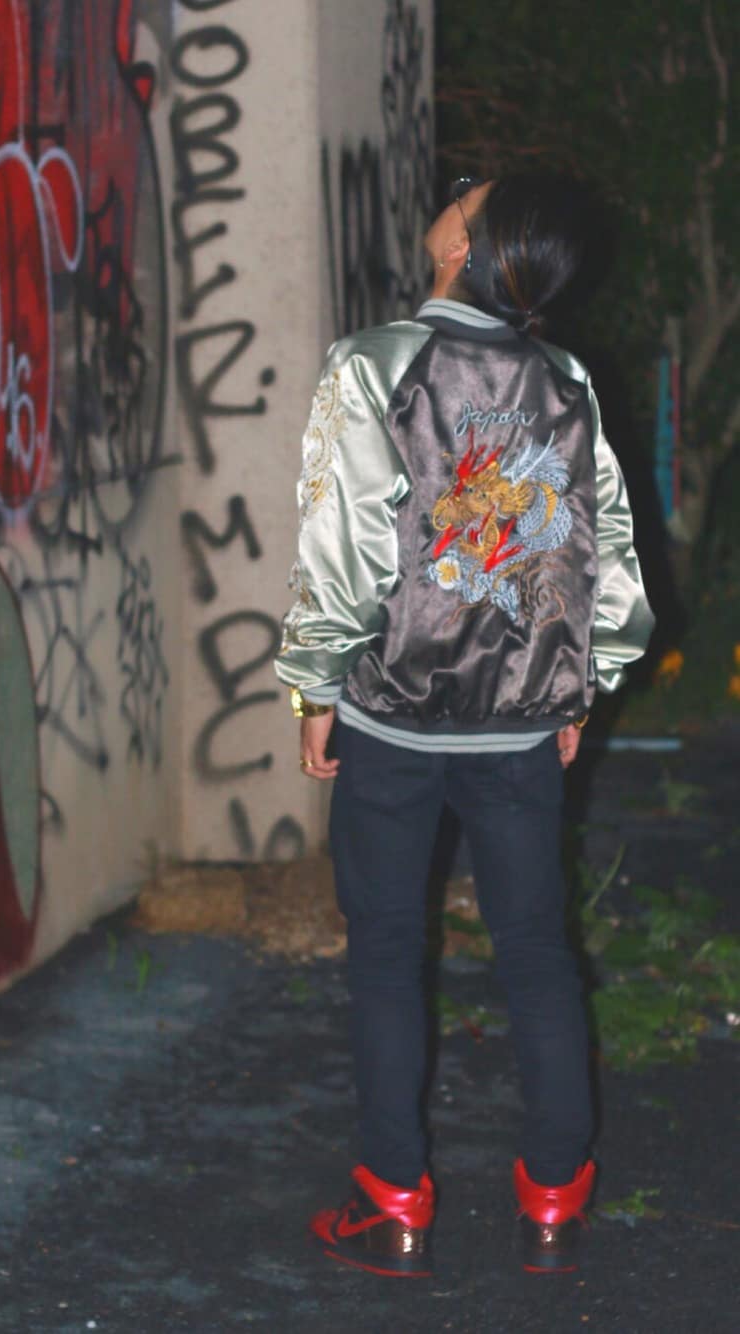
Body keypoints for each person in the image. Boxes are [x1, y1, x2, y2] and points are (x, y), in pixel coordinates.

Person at [274, 174, 654, 1277]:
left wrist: (314, 687)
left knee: (388, 951)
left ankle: (392, 1197)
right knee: (536, 949)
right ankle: (556, 1195)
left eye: (463, 197)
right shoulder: (564, 380)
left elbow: (342, 546)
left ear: (464, 247)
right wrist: (579, 684)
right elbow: (606, 557)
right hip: (520, 724)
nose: (448, 199)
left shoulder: (373, 365)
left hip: (392, 718)